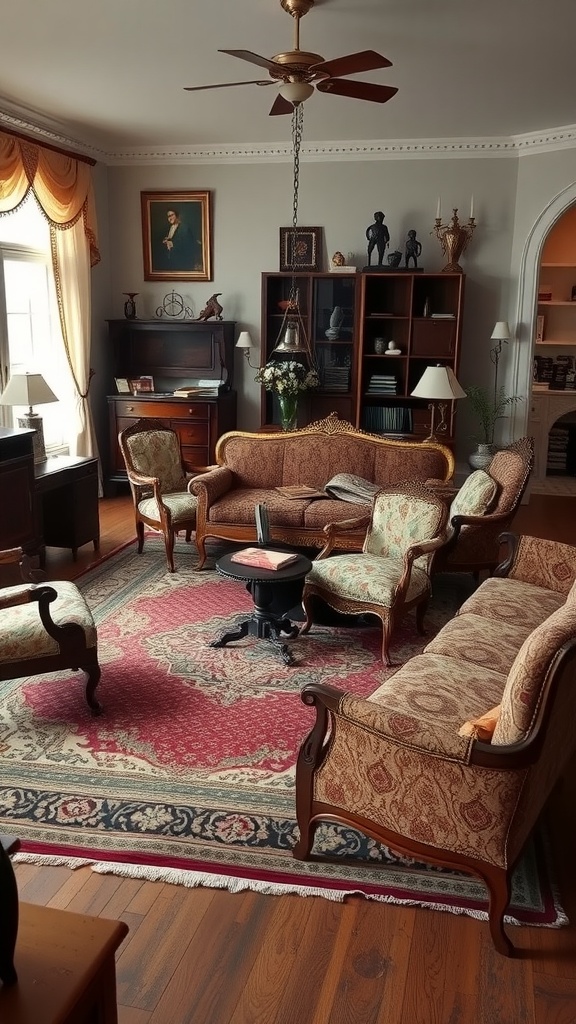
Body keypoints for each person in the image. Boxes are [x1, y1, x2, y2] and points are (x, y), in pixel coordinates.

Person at [153, 207, 202, 273]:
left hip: (181, 260)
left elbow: (188, 245)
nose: (170, 218)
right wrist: (165, 241)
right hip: (168, 260)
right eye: (168, 216)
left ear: (177, 215)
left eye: (172, 215)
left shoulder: (184, 228)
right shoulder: (168, 228)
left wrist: (173, 243)